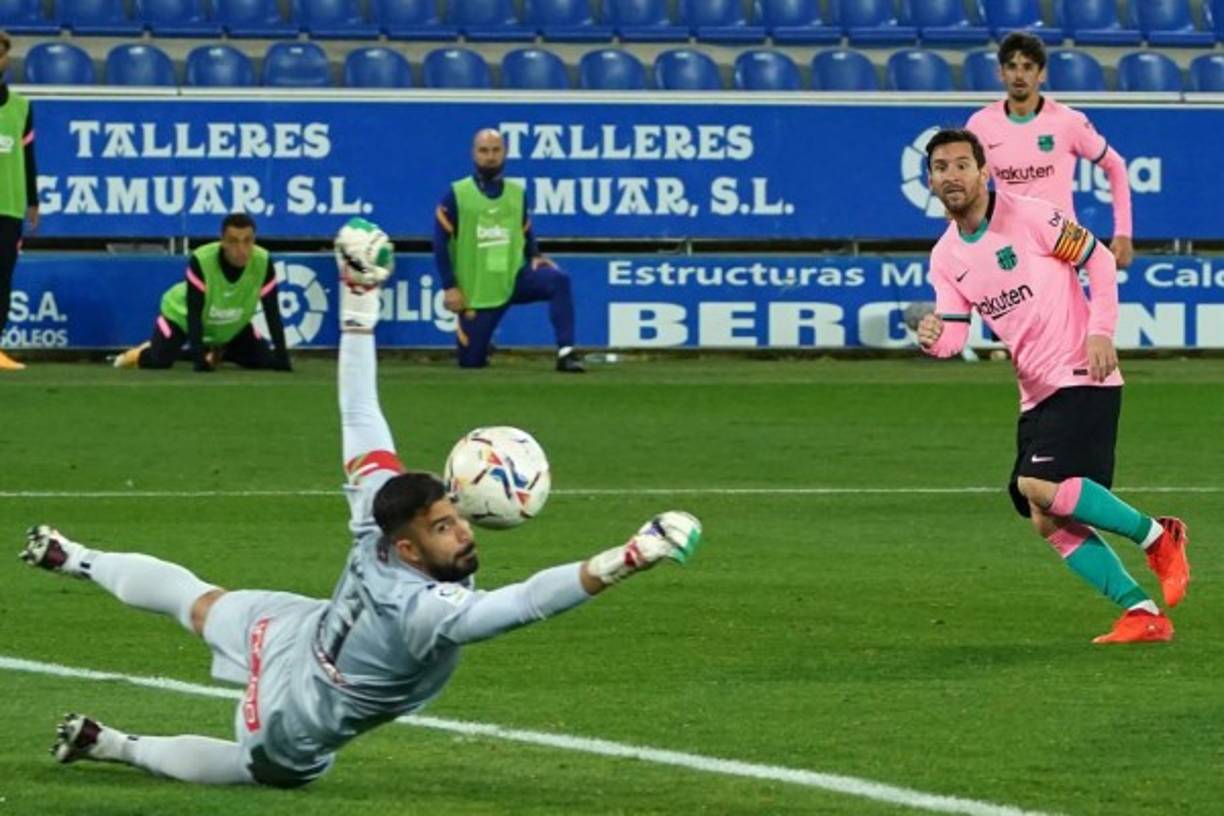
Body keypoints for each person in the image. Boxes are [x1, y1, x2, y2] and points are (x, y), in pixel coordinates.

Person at [20, 231, 701, 787]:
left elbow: (358, 411)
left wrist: (360, 302)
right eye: (444, 526)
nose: (462, 529)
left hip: (304, 629)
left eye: (457, 515)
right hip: (305, 706)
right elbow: (521, 603)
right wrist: (626, 558)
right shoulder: (424, 612)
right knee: (257, 768)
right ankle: (118, 744)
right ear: (406, 548)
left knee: (200, 603)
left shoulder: (377, 513)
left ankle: (76, 562)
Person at [916, 128, 1189, 644]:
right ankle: (1142, 613)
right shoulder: (946, 256)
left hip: (1083, 371)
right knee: (1044, 517)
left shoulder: (1030, 216)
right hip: (1036, 391)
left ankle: (1159, 536)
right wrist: (933, 336)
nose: (950, 175)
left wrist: (1101, 330)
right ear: (929, 180)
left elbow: (1100, 259)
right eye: (940, 167)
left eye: (960, 164)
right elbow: (953, 336)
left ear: (983, 171)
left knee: (1035, 486)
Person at [965, 32, 1134, 269]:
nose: (1020, 75)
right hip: (1010, 248)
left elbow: (1115, 165)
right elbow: (968, 186)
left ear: (1041, 73)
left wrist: (1123, 232)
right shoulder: (980, 124)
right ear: (1000, 73)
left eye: (1028, 67)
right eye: (1012, 67)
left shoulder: (1068, 121)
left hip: (1061, 245)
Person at [433, 128, 583, 372]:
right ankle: (482, 342)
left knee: (559, 281)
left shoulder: (517, 193)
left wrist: (534, 255)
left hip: (515, 277)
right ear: (473, 154)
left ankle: (567, 353)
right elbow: (440, 242)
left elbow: (524, 227)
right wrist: (450, 286)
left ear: (505, 153)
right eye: (484, 150)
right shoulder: (457, 194)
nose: (490, 156)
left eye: (495, 150)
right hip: (479, 289)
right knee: (471, 362)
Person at [112, 213, 291, 372]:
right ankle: (139, 353)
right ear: (222, 241)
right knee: (160, 361)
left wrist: (283, 357)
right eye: (234, 241)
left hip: (230, 324)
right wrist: (199, 362)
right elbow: (194, 313)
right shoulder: (202, 260)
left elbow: (272, 312)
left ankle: (217, 351)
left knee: (266, 362)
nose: (241, 249)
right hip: (181, 317)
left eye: (247, 241)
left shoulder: (263, 261)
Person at [0, 31, 39, 372]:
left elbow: (28, 156)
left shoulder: (21, 106)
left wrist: (33, 201)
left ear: (5, 60)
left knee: (2, 279)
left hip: (9, 206)